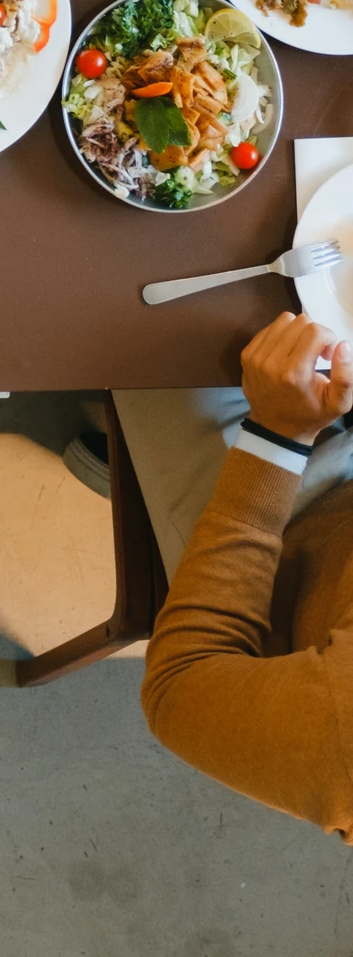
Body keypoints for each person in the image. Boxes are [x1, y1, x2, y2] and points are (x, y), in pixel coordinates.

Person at [115, 311, 353, 832]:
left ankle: (125, 468)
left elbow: (180, 686)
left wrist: (278, 436)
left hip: (282, 527)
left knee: (137, 324)